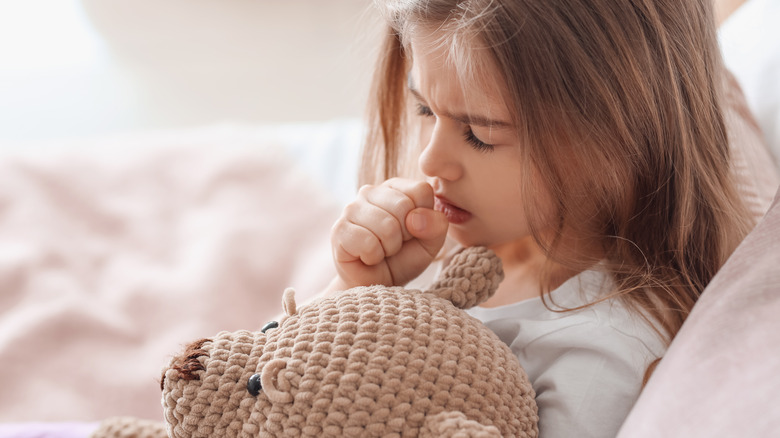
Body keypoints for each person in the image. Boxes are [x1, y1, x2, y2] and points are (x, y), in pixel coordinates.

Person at [326, 0, 755, 436]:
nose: (430, 160)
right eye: (425, 110)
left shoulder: (599, 351)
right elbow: (272, 383)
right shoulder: (431, 247)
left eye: (480, 135)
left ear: (616, 140)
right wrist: (352, 287)